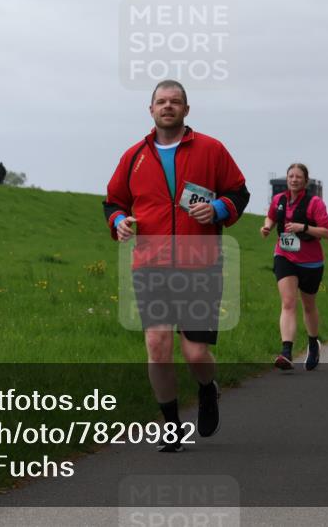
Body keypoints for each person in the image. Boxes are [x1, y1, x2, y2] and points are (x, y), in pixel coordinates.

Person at [103, 80, 249, 452]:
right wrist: (119, 221)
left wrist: (218, 209)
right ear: (150, 109)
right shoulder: (133, 156)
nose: (168, 106)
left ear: (186, 109)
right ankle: (171, 428)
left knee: (195, 353)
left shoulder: (211, 149)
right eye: (161, 101)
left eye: (175, 101)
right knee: (157, 345)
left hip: (200, 264)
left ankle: (207, 388)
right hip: (150, 265)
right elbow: (114, 201)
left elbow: (238, 192)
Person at [261, 164, 328, 371]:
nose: (294, 180)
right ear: (287, 179)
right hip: (284, 256)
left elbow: (327, 233)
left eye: (298, 177)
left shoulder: (315, 203)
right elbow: (271, 216)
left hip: (311, 261)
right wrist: (267, 227)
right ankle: (286, 352)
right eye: (291, 176)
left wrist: (304, 227)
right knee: (288, 303)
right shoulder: (279, 200)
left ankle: (313, 344)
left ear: (306, 181)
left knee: (308, 306)